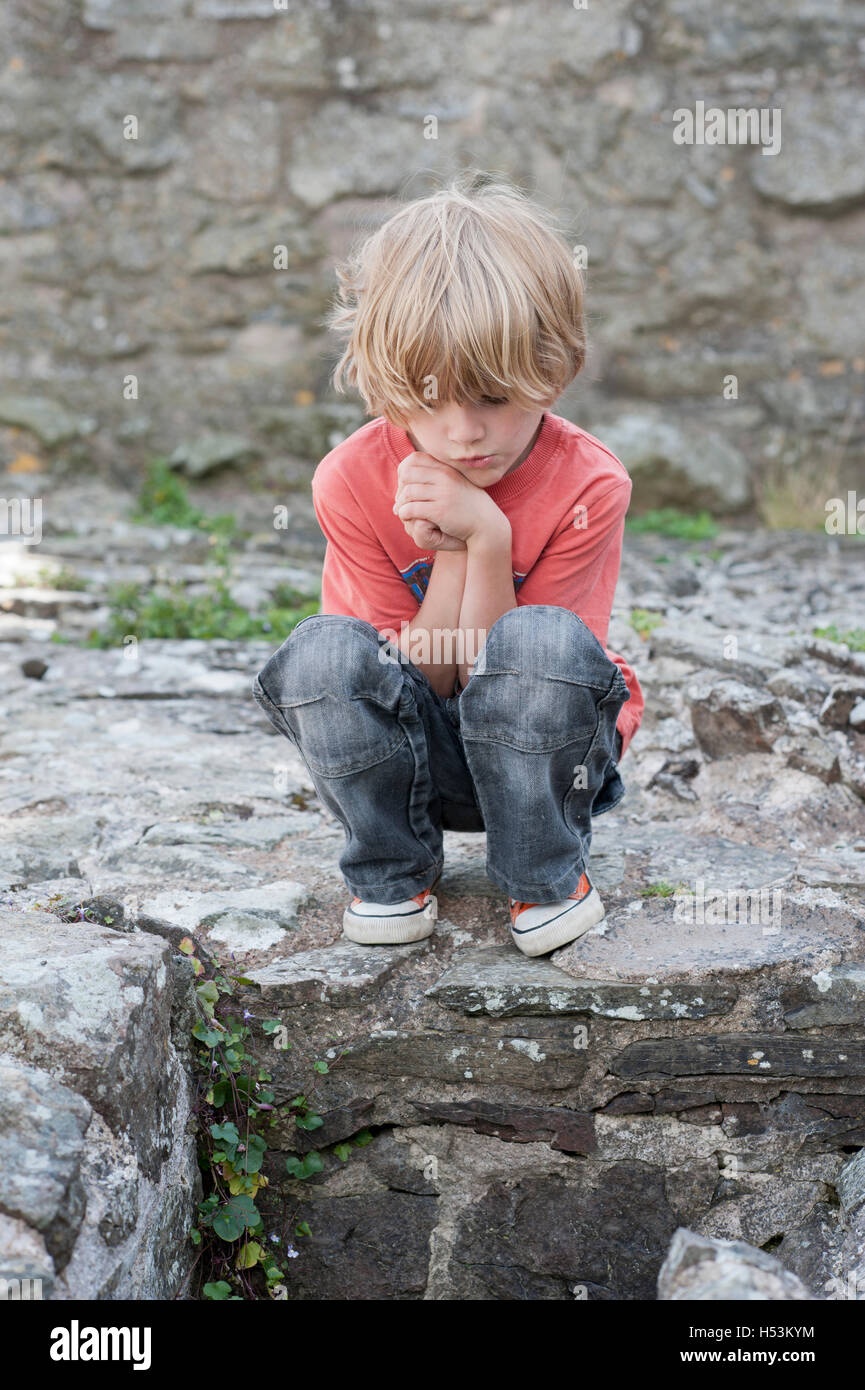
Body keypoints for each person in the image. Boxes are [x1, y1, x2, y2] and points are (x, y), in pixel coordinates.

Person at [253, 173, 644, 957]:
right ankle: (392, 872)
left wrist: (489, 537)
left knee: (538, 642)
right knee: (323, 653)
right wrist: (455, 552)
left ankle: (542, 876)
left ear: (555, 369)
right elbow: (417, 680)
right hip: (413, 751)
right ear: (382, 384)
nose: (464, 434)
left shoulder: (589, 483)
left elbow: (522, 684)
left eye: (493, 397)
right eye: (429, 402)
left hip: (545, 753)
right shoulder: (351, 479)